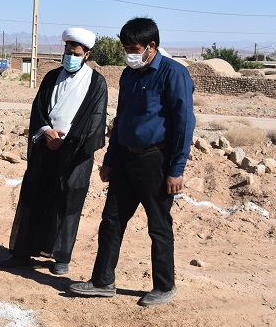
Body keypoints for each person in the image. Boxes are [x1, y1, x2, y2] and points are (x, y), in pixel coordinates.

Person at [69, 17, 196, 307]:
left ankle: (164, 286)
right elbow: (121, 119)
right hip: (125, 159)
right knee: (111, 222)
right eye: (125, 47)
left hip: (156, 161)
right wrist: (110, 158)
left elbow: (184, 124)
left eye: (134, 47)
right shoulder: (129, 74)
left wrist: (176, 169)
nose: (129, 53)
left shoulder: (173, 74)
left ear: (152, 46)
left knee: (158, 226)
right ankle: (103, 281)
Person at [0, 27, 108, 275]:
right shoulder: (51, 77)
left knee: (67, 202)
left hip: (74, 154)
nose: (70, 56)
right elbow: (38, 109)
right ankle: (22, 253)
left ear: (87, 54)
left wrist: (68, 142)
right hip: (46, 147)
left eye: (76, 53)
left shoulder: (96, 82)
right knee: (34, 196)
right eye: (68, 52)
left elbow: (95, 121)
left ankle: (61, 257)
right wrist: (47, 132)